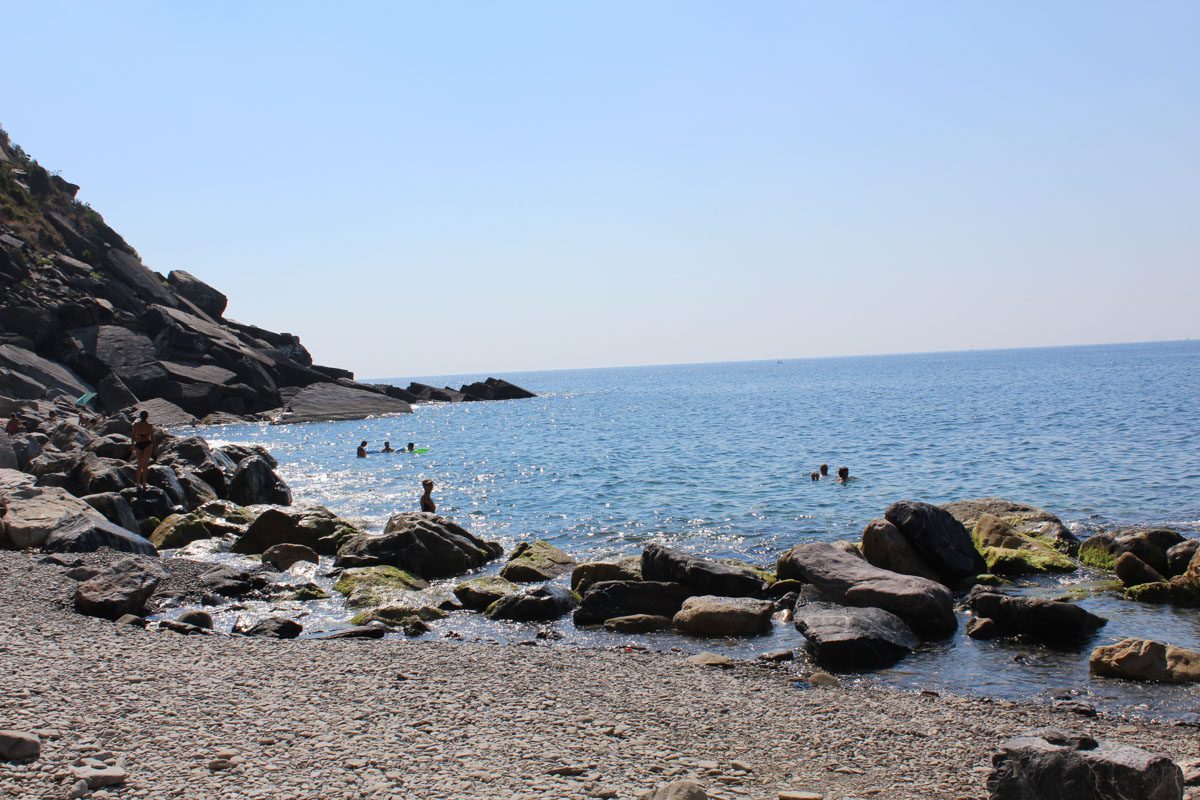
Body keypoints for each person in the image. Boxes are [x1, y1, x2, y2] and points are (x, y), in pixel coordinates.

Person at [131, 410, 155, 488]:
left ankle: (137, 483)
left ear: (140, 416)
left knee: (139, 464)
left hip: (138, 444)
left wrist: (132, 445)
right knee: (145, 465)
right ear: (147, 416)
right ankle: (144, 482)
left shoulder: (135, 425)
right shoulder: (150, 425)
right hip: (147, 444)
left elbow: (133, 436)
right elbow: (152, 437)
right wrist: (155, 446)